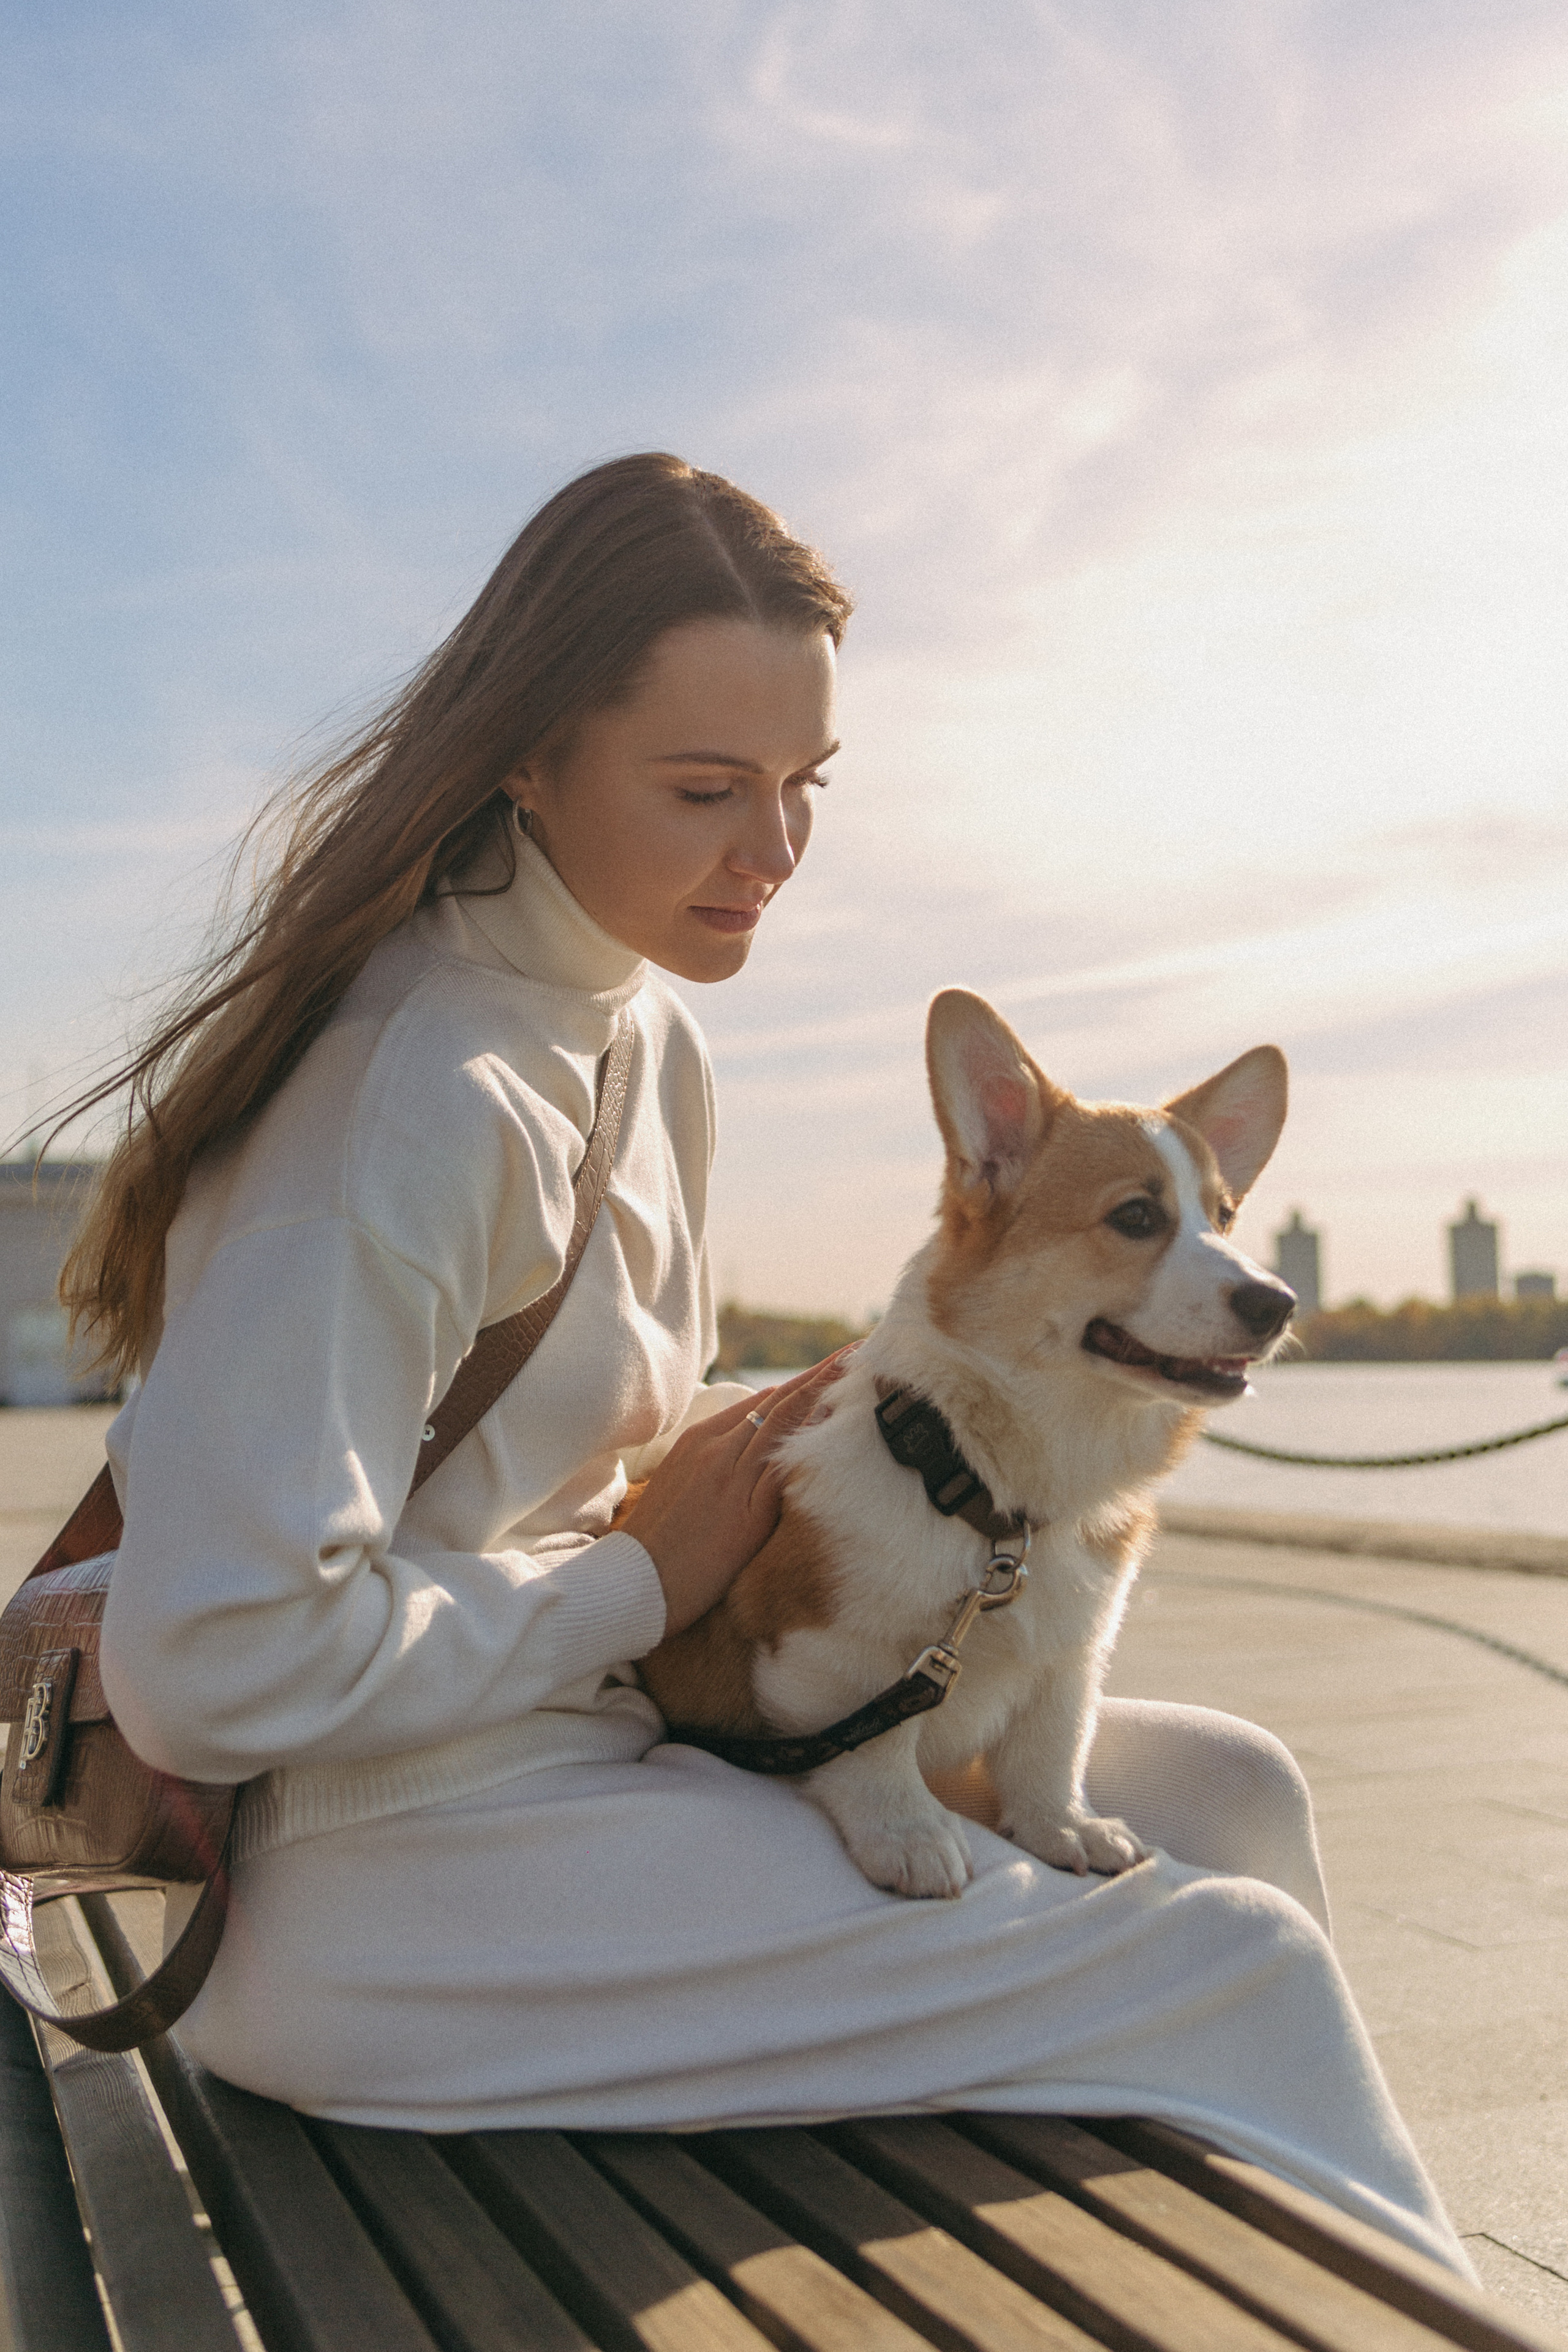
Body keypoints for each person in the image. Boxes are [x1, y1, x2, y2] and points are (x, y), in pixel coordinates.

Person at [67, 453, 1468, 2274]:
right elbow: (213, 1674)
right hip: (358, 1884)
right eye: (707, 789)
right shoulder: (411, 1094)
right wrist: (640, 1580)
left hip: (598, 1749)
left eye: (805, 788)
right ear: (527, 754)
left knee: (1238, 1796)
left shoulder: (645, 1032)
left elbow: (581, 1460)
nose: (776, 854)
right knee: (1234, 1967)